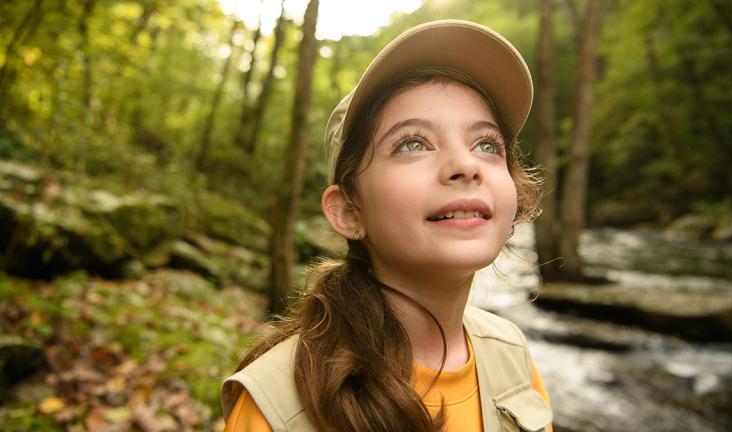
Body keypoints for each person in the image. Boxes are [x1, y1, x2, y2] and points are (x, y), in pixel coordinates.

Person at [221, 19, 553, 432]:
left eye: (487, 145)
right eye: (412, 144)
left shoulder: (511, 355)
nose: (466, 165)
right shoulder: (276, 406)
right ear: (349, 211)